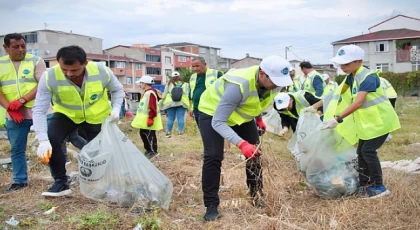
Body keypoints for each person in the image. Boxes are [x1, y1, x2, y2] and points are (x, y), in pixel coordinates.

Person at [198, 56, 293, 221]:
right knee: (213, 155)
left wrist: (258, 118)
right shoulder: (239, 85)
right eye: (275, 81)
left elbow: (256, 100)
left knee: (255, 153)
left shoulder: (276, 84)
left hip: (240, 116)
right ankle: (211, 205)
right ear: (262, 74)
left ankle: (256, 195)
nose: (278, 85)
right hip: (212, 113)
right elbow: (218, 122)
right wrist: (241, 144)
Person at [308, 44, 400, 199]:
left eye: (346, 63)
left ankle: (379, 187)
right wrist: (313, 107)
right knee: (361, 153)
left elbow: (358, 102)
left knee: (368, 152)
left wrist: (337, 119)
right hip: (368, 124)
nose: (343, 67)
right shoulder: (351, 77)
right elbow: (334, 94)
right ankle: (365, 185)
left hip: (381, 122)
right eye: (341, 64)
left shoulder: (368, 77)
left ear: (359, 61)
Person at [32, 45, 124, 197]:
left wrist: (115, 109)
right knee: (53, 138)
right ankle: (61, 182)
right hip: (67, 114)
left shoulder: (101, 71)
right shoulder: (49, 76)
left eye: (74, 70)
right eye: (64, 69)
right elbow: (39, 109)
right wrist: (42, 139)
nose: (68, 74)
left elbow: (117, 89)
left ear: (85, 63)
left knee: (101, 149)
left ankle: (106, 183)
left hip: (96, 115)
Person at [0, 33, 47, 192]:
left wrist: (21, 101)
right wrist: (10, 109)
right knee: (16, 148)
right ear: (5, 48)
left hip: (39, 111)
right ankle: (20, 181)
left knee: (52, 143)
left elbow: (42, 85)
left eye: (23, 46)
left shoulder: (36, 61)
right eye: (16, 47)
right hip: (14, 114)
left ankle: (60, 179)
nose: (21, 50)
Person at [131, 75, 162, 159]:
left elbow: (152, 107)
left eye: (141, 83)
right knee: (143, 134)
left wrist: (151, 118)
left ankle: (153, 151)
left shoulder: (150, 93)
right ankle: (148, 150)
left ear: (145, 83)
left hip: (149, 119)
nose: (140, 85)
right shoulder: (147, 92)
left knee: (150, 135)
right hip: (145, 120)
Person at [189, 57, 223, 126]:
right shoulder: (193, 77)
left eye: (197, 66)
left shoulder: (216, 74)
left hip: (211, 109)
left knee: (213, 131)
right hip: (197, 108)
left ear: (205, 64)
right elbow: (192, 93)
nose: (195, 68)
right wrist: (191, 108)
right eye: (193, 66)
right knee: (202, 130)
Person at [160, 71, 189, 137]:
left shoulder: (169, 84)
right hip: (182, 102)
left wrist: (161, 101)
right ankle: (180, 132)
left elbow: (164, 93)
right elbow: (187, 93)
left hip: (170, 103)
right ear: (180, 76)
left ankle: (168, 133)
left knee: (170, 118)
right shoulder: (185, 84)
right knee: (181, 117)